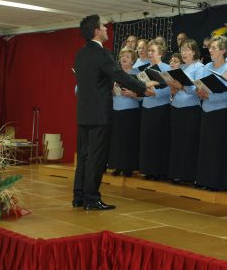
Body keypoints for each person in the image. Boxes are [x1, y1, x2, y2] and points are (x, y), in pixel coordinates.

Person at [73, 15, 151, 211]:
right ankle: (92, 198)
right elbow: (120, 76)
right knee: (96, 158)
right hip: (99, 114)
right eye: (104, 27)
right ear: (97, 32)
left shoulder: (80, 55)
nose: (107, 29)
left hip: (83, 113)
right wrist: (143, 87)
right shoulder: (103, 55)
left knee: (83, 155)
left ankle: (79, 196)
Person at [195, 36, 227, 191]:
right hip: (207, 110)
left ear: (223, 51)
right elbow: (201, 85)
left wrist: (210, 95)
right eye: (210, 48)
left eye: (214, 48)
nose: (210, 50)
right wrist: (199, 90)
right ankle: (205, 179)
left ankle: (218, 182)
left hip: (221, 112)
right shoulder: (207, 66)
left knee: (218, 147)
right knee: (206, 146)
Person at [167, 39, 205, 184]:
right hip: (176, 108)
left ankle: (189, 175)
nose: (184, 53)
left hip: (191, 110)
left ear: (194, 52)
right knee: (177, 141)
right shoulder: (180, 68)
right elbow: (176, 89)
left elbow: (198, 89)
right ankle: (177, 173)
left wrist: (182, 86)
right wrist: (173, 90)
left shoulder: (199, 67)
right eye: (182, 50)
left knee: (189, 142)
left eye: (187, 50)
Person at [139, 41, 172, 180]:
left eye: (153, 51)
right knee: (148, 139)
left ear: (161, 53)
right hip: (147, 107)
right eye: (149, 51)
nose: (150, 53)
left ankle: (159, 171)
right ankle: (149, 170)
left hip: (160, 108)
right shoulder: (145, 68)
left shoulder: (166, 67)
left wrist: (156, 93)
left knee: (159, 139)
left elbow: (171, 87)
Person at [108, 48, 141, 177]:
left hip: (131, 111)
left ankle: (129, 168)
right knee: (117, 140)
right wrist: (112, 91)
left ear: (133, 60)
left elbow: (143, 94)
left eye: (127, 56)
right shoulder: (116, 73)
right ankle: (117, 166)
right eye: (122, 56)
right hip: (116, 109)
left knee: (129, 139)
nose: (123, 58)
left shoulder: (137, 73)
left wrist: (132, 94)